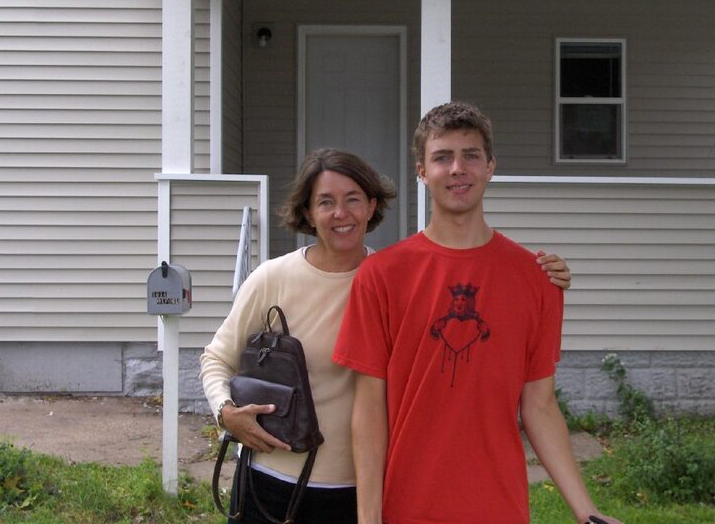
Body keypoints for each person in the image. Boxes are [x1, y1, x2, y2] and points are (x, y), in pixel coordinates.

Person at [200, 147, 573, 524]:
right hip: (272, 483)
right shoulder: (272, 278)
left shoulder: (393, 279)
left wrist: (541, 275)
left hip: (362, 491)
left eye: (353, 200)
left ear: (371, 205)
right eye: (325, 202)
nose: (340, 214)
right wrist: (225, 412)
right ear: (309, 213)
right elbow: (216, 358)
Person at [332, 103, 623, 524]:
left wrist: (587, 512)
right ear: (421, 171)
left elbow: (539, 406)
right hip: (406, 506)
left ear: (490, 167)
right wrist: (368, 517)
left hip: (499, 507)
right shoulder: (380, 276)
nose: (457, 168)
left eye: (470, 155)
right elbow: (368, 408)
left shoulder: (536, 279)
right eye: (442, 157)